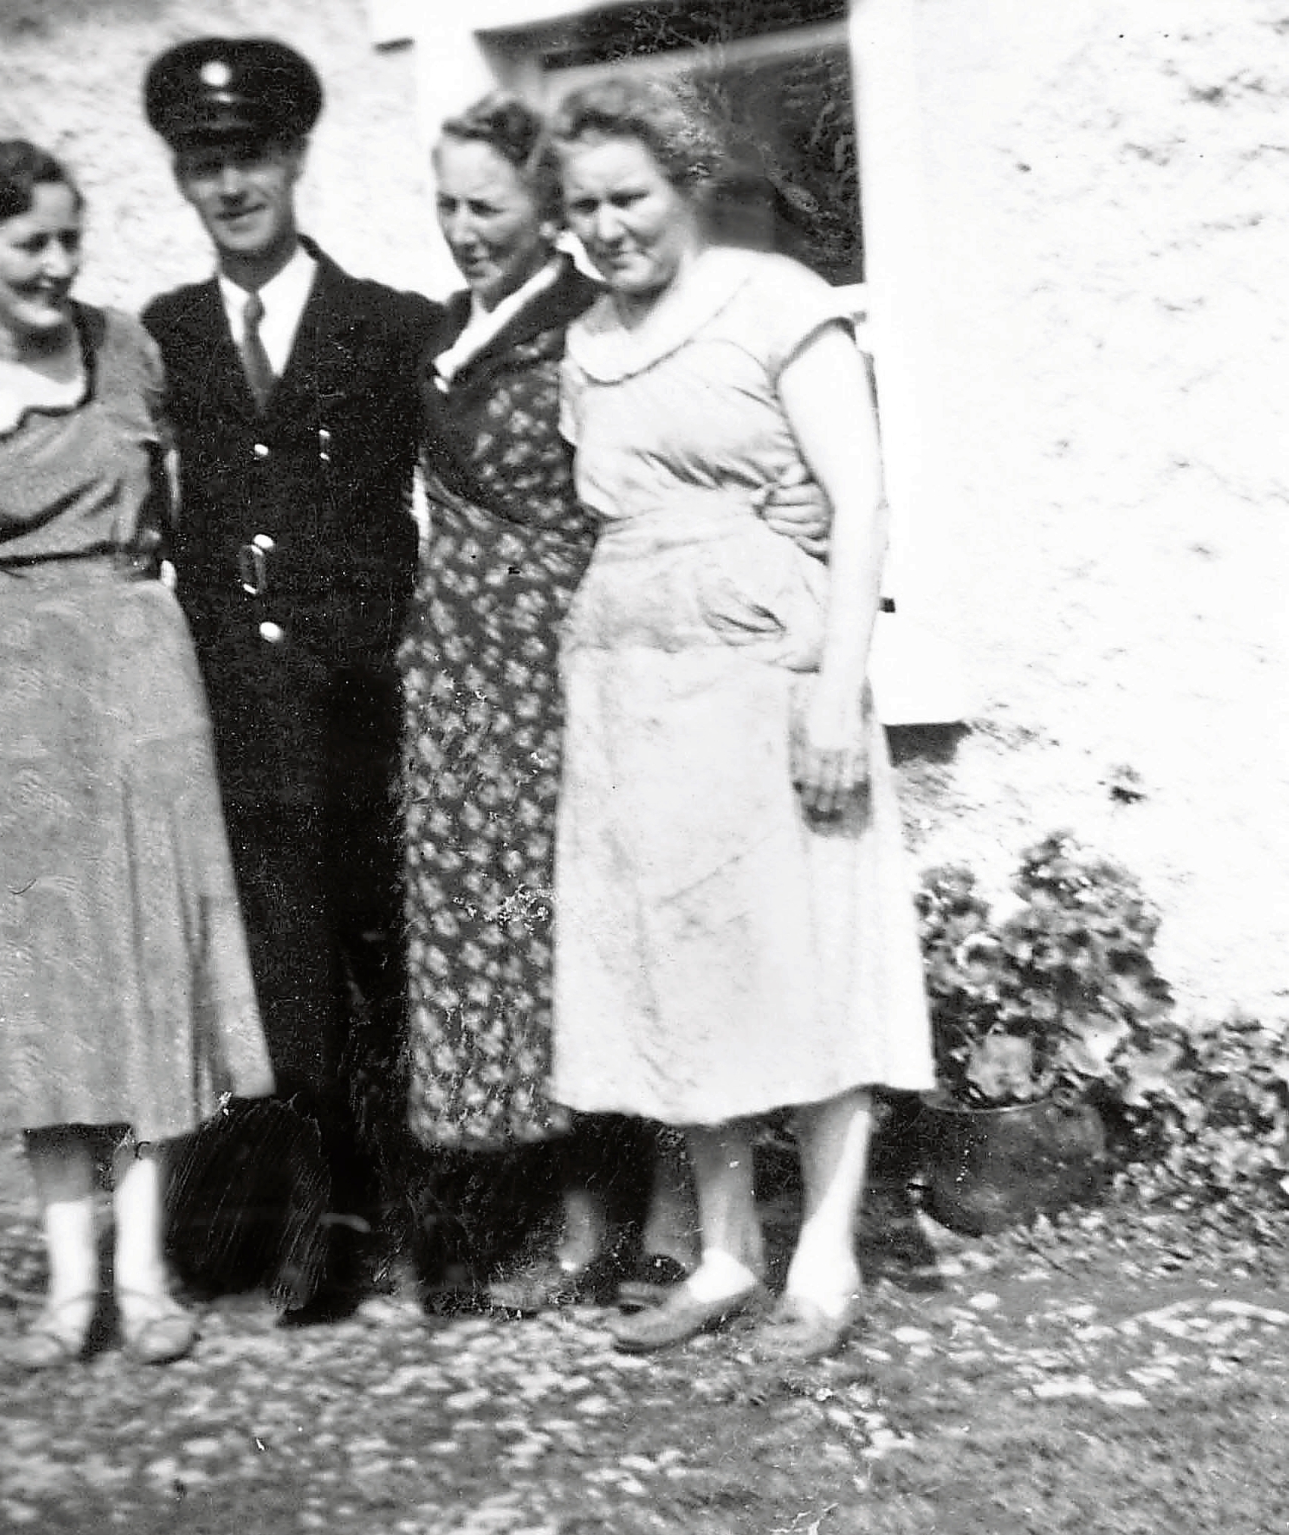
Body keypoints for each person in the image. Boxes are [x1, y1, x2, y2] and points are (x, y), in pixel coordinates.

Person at [400, 92, 831, 1313]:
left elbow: (687, 463)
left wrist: (780, 511)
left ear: (545, 211)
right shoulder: (444, 331)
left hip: (576, 648)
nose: (465, 230)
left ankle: (651, 1211)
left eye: (489, 206)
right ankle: (565, 1202)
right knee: (505, 926)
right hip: (465, 666)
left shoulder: (589, 330)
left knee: (602, 926)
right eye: (446, 206)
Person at [0, 139, 273, 1367]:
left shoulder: (128, 350)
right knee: (39, 980)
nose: (57, 264)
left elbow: (183, 511)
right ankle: (69, 1282)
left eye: (69, 239)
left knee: (146, 962)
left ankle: (144, 1276)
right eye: (29, 242)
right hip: (3, 699)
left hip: (137, 675)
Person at [546, 78, 935, 1360]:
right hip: (631, 685)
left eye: (630, 197)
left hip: (768, 666)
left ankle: (825, 1259)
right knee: (678, 963)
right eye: (583, 207)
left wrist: (835, 693)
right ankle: (725, 1252)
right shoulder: (587, 344)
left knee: (804, 954)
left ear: (689, 184)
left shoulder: (775, 303)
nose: (607, 227)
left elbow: (860, 505)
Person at [140, 37, 441, 1311]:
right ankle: (319, 1217)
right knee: (278, 960)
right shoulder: (161, 336)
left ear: (298, 156)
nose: (230, 185)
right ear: (180, 177)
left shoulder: (392, 326)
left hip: (372, 697)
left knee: (391, 953)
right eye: (204, 163)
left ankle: (432, 1210)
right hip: (237, 703)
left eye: (251, 156)